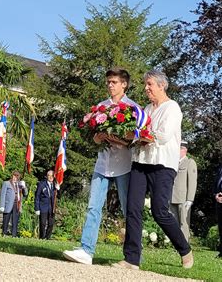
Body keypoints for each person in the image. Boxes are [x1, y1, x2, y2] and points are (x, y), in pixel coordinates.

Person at [112, 70, 193, 270]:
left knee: (159, 211)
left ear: (161, 86)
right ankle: (131, 259)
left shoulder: (172, 108)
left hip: (163, 166)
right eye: (145, 85)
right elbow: (138, 134)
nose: (146, 88)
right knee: (132, 209)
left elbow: (162, 136)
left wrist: (138, 135)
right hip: (140, 163)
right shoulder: (146, 109)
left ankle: (184, 248)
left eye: (149, 85)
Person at [63, 68, 140, 264]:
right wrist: (98, 138)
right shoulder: (101, 107)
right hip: (102, 164)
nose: (110, 85)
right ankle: (86, 250)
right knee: (93, 206)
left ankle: (132, 256)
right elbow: (95, 140)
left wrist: (121, 138)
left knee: (127, 209)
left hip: (124, 166)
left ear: (124, 84)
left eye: (114, 82)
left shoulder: (133, 108)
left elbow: (137, 140)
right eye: (108, 82)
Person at [170, 140, 198, 242]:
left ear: (184, 149)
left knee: (184, 223)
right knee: (174, 223)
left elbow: (192, 182)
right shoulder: (172, 162)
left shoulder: (190, 162)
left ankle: (184, 245)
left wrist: (190, 199)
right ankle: (176, 244)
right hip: (172, 196)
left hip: (183, 198)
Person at [0, 171, 27, 237]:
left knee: (15, 220)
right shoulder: (6, 183)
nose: (15, 177)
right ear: (12, 176)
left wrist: (24, 187)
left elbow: (25, 194)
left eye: (17, 176)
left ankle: (14, 235)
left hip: (17, 204)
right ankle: (4, 233)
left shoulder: (20, 184)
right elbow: (3, 195)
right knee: (6, 219)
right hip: (8, 204)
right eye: (14, 176)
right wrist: (2, 205)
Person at [35, 170, 59, 239]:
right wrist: (37, 208)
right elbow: (37, 196)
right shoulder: (41, 184)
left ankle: (47, 237)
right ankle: (42, 237)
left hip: (52, 208)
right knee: (42, 223)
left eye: (52, 176)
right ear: (47, 176)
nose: (51, 177)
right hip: (43, 207)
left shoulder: (55, 185)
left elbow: (58, 196)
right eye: (49, 175)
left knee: (51, 224)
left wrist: (58, 189)